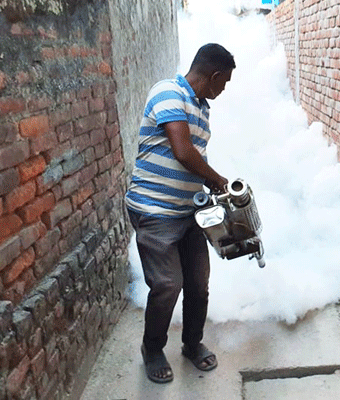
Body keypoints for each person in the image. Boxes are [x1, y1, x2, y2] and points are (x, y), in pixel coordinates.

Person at [125, 43, 234, 383]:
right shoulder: (168, 92)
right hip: (154, 210)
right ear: (214, 76)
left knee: (198, 284)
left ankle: (192, 344)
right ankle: (153, 348)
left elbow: (190, 161)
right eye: (225, 82)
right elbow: (183, 152)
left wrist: (209, 190)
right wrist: (217, 179)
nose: (225, 89)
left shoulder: (202, 108)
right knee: (168, 284)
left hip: (187, 213)